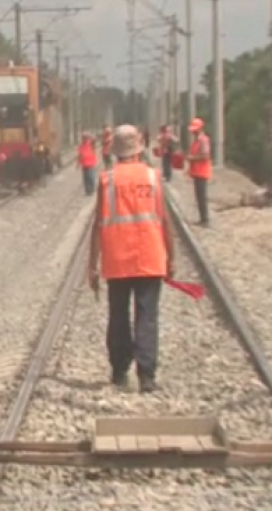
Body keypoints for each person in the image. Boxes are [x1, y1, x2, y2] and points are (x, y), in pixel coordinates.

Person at [87, 125, 175, 393]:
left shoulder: (107, 179)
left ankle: (119, 372)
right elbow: (165, 219)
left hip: (117, 259)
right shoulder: (152, 177)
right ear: (139, 148)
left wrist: (92, 265)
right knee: (147, 316)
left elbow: (98, 224)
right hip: (150, 256)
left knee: (118, 315)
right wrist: (171, 257)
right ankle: (146, 377)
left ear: (115, 151)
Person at [186, 117, 212, 226]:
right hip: (197, 172)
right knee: (199, 196)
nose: (193, 132)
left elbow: (205, 156)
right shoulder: (197, 141)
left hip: (202, 172)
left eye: (195, 129)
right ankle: (202, 218)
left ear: (200, 129)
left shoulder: (203, 140)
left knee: (202, 196)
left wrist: (192, 158)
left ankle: (205, 219)